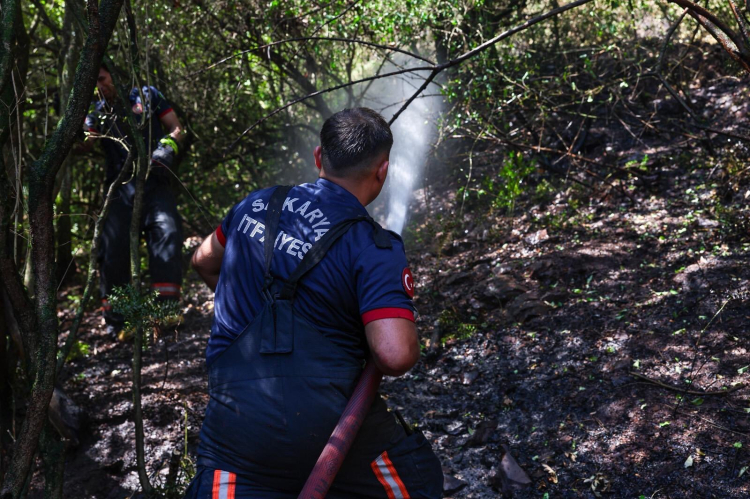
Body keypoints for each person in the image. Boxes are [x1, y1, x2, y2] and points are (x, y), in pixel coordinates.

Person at [188, 108, 443, 498]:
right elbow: (394, 355)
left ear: (319, 156)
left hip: (234, 428)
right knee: (417, 484)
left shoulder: (254, 205)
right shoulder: (374, 245)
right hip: (330, 430)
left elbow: (203, 261)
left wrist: (245, 307)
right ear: (383, 170)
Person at [82, 64, 185, 337]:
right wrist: (70, 133)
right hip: (119, 188)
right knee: (113, 248)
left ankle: (166, 312)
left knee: (168, 233)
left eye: (102, 79)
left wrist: (167, 148)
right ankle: (121, 320)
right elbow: (86, 141)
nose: (99, 86)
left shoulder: (147, 95)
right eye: (94, 82)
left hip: (156, 181)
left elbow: (176, 128)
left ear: (114, 75)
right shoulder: (96, 110)